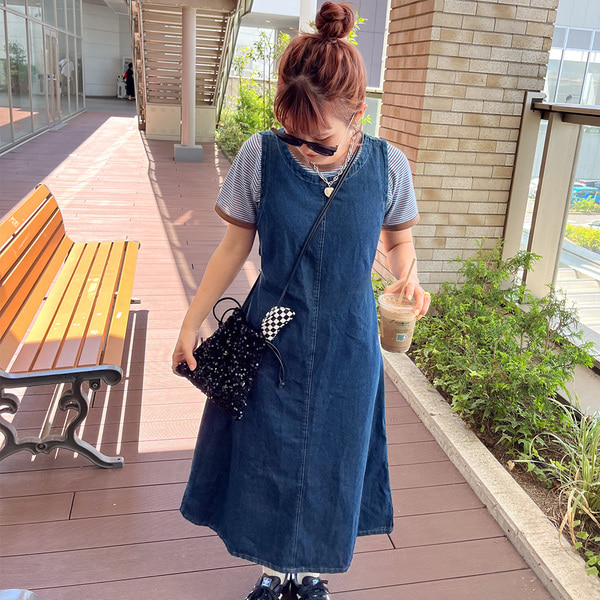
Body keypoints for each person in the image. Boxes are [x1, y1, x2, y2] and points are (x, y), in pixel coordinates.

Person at [172, 3, 430, 599]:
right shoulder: (259, 156)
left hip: (350, 338)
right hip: (271, 330)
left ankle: (310, 573)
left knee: (332, 458)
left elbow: (400, 239)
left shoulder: (389, 165)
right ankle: (272, 571)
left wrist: (407, 278)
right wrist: (190, 324)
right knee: (267, 454)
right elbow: (233, 247)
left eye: (321, 140)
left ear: (357, 116)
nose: (305, 149)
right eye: (293, 134)